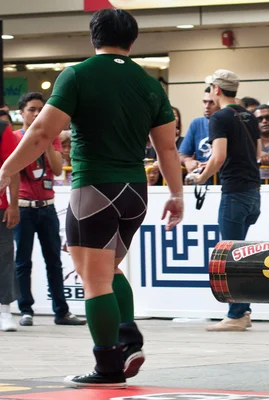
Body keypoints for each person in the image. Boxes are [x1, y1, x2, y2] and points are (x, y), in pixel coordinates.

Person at [0, 8, 184, 388]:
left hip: (94, 188)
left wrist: (6, 169)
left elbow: (38, 135)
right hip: (135, 191)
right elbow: (167, 148)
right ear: (132, 41)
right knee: (110, 271)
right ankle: (128, 342)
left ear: (92, 38)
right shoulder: (150, 85)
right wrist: (177, 193)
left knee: (94, 280)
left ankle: (108, 367)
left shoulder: (77, 74)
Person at [195, 69, 261, 332]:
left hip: (234, 192)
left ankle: (236, 314)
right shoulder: (249, 116)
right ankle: (242, 311)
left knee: (230, 256)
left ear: (217, 90)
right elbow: (256, 153)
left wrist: (201, 177)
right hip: (253, 192)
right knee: (240, 254)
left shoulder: (220, 117)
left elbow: (219, 156)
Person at [14, 92, 85, 328]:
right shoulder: (14, 138)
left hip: (47, 207)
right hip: (23, 207)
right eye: (31, 109)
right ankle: (26, 309)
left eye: (40, 110)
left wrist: (44, 143)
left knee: (54, 260)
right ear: (21, 112)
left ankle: (61, 311)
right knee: (23, 261)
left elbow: (56, 169)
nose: (36, 114)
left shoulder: (52, 138)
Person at [0, 121, 21, 332]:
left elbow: (12, 168)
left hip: (0, 207)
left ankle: (4, 311)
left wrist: (13, 204)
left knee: (4, 258)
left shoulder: (2, 128)